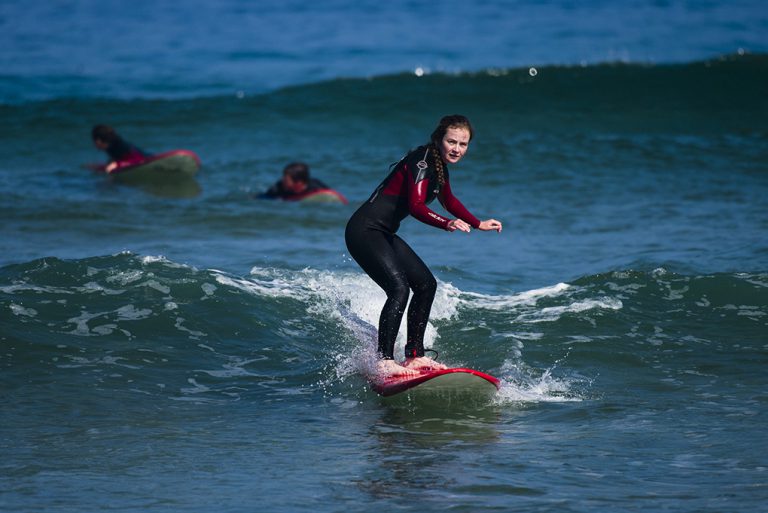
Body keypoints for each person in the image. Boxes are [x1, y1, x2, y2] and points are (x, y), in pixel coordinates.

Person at [345, 114, 503, 378]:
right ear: (438, 139)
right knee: (399, 288)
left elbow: (448, 199)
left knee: (426, 285)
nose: (457, 148)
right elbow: (417, 206)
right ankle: (384, 360)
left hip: (382, 233)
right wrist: (447, 224)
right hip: (364, 231)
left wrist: (477, 223)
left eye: (463, 144)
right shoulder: (422, 163)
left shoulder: (439, 166)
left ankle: (415, 357)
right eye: (451, 141)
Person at [259, 162, 334, 200]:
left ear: (299, 182)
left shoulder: (316, 186)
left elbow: (331, 196)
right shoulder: (278, 188)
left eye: (286, 179)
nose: (282, 180)